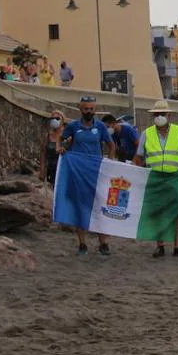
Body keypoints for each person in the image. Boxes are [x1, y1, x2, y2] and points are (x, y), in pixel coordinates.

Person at [134, 100, 178, 258]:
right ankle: (160, 245)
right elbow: (139, 156)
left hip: (173, 176)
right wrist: (140, 173)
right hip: (154, 178)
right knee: (157, 211)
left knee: (175, 211)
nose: (159, 116)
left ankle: (177, 246)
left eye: (162, 114)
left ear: (169, 115)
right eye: (156, 114)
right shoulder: (147, 133)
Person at [59, 95, 115, 255]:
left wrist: (109, 162)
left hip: (96, 173)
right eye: (85, 109)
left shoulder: (101, 127)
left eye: (91, 109)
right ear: (80, 109)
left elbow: (111, 145)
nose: (88, 111)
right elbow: (60, 139)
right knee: (79, 207)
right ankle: (82, 243)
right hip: (77, 172)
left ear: (95, 109)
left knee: (99, 207)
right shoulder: (73, 126)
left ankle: (103, 243)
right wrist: (61, 148)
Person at [39, 110, 66, 184]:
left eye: (57, 119)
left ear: (62, 120)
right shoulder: (47, 136)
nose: (54, 120)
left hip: (64, 169)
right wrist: (42, 170)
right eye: (52, 119)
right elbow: (43, 153)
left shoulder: (68, 135)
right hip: (51, 169)